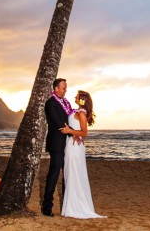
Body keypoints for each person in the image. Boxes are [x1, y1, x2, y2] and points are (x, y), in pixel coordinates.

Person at [60, 90, 106, 219]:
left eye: (77, 96)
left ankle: (74, 208)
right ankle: (71, 207)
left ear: (82, 100)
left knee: (73, 174)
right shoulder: (77, 111)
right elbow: (78, 130)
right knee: (71, 174)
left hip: (74, 147)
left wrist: (70, 130)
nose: (75, 97)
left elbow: (84, 132)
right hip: (72, 143)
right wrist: (74, 132)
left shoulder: (81, 113)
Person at [42, 78, 71, 217]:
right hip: (56, 143)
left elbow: (69, 118)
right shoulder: (50, 103)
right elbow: (59, 122)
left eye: (66, 87)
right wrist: (75, 132)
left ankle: (66, 207)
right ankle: (47, 207)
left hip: (68, 144)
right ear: (56, 89)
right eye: (64, 88)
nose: (66, 90)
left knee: (67, 175)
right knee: (54, 174)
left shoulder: (66, 103)